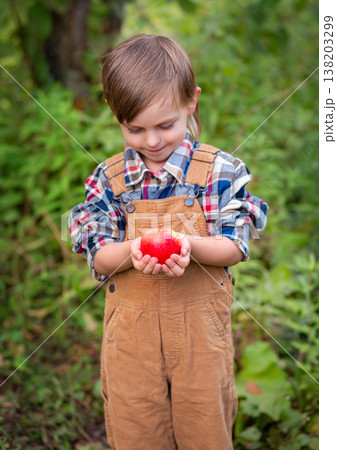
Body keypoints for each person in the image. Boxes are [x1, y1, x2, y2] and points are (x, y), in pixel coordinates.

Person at [68, 34, 268, 450]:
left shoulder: (220, 172)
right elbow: (100, 255)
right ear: (114, 114)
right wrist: (133, 251)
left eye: (166, 125)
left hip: (201, 342)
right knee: (136, 424)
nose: (152, 141)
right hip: (131, 344)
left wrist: (189, 246)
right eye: (134, 128)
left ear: (191, 102)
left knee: (205, 426)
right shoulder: (109, 180)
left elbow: (235, 244)